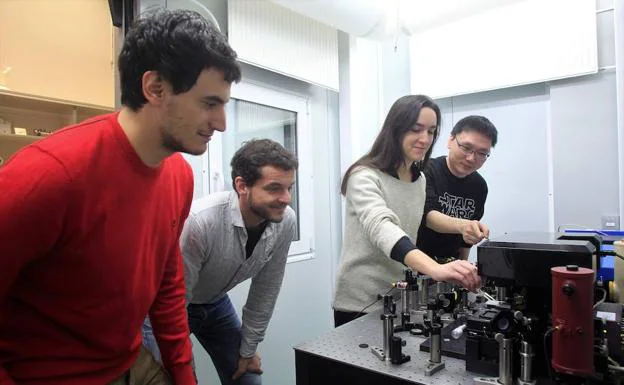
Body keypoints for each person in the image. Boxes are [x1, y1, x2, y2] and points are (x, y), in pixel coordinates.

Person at [0, 8, 240, 385]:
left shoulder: (178, 176)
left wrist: (182, 374)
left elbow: (166, 282)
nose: (222, 123)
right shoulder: (49, 174)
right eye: (210, 103)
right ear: (155, 89)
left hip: (131, 363)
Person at [143, 139, 298, 385]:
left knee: (247, 378)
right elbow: (175, 300)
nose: (286, 198)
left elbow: (266, 289)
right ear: (242, 185)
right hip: (164, 308)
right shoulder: (200, 223)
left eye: (290, 187)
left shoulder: (285, 221)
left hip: (214, 303)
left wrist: (248, 350)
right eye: (275, 188)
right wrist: (182, 370)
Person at [332, 95, 483, 327]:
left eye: (431, 131)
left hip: (400, 298)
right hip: (358, 303)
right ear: (395, 129)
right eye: (416, 129)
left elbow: (424, 220)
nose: (425, 139)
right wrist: (435, 269)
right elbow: (382, 227)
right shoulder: (363, 176)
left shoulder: (419, 179)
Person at [417, 115, 498, 261]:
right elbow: (428, 216)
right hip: (418, 263)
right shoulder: (426, 170)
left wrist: (463, 268)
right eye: (466, 148)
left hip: (450, 264)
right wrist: (464, 225)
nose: (471, 158)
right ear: (450, 140)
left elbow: (465, 242)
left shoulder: (479, 186)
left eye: (482, 153)